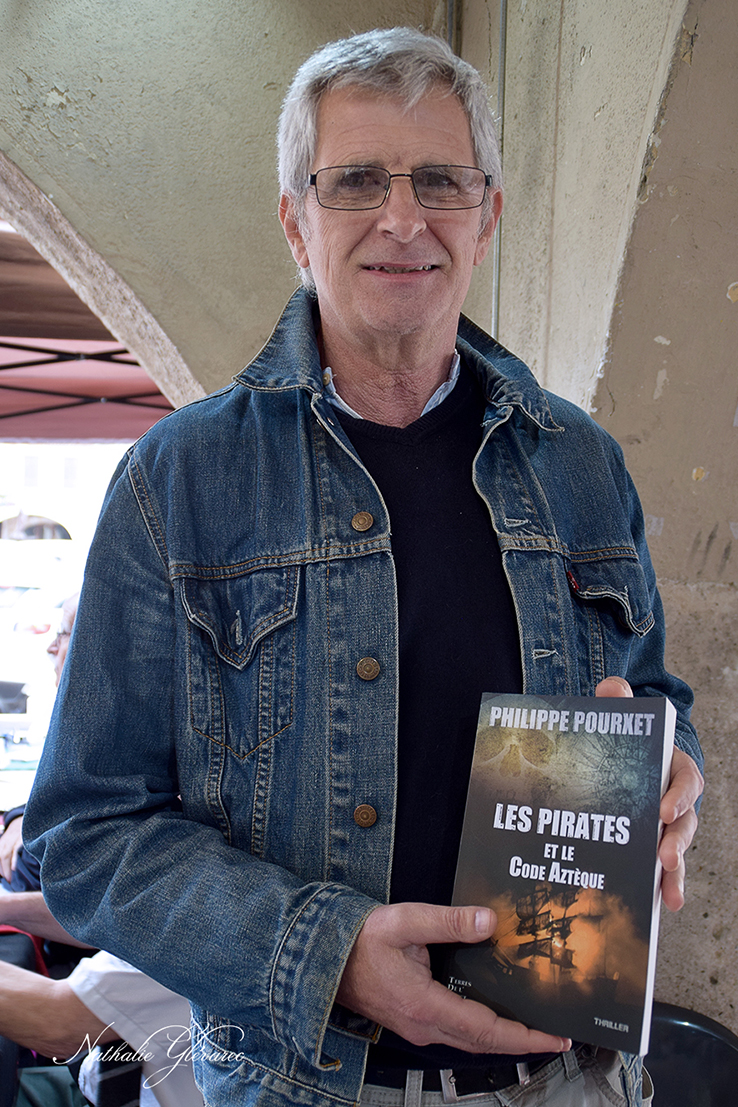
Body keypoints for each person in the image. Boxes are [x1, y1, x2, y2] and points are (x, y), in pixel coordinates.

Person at [24, 27, 703, 1107]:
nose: (403, 217)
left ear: (488, 215)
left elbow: (652, 692)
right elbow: (86, 834)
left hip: (572, 1077)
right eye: (356, 182)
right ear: (296, 222)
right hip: (302, 1085)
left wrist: (671, 770)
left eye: (441, 180)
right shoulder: (181, 479)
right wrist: (324, 952)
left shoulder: (580, 463)